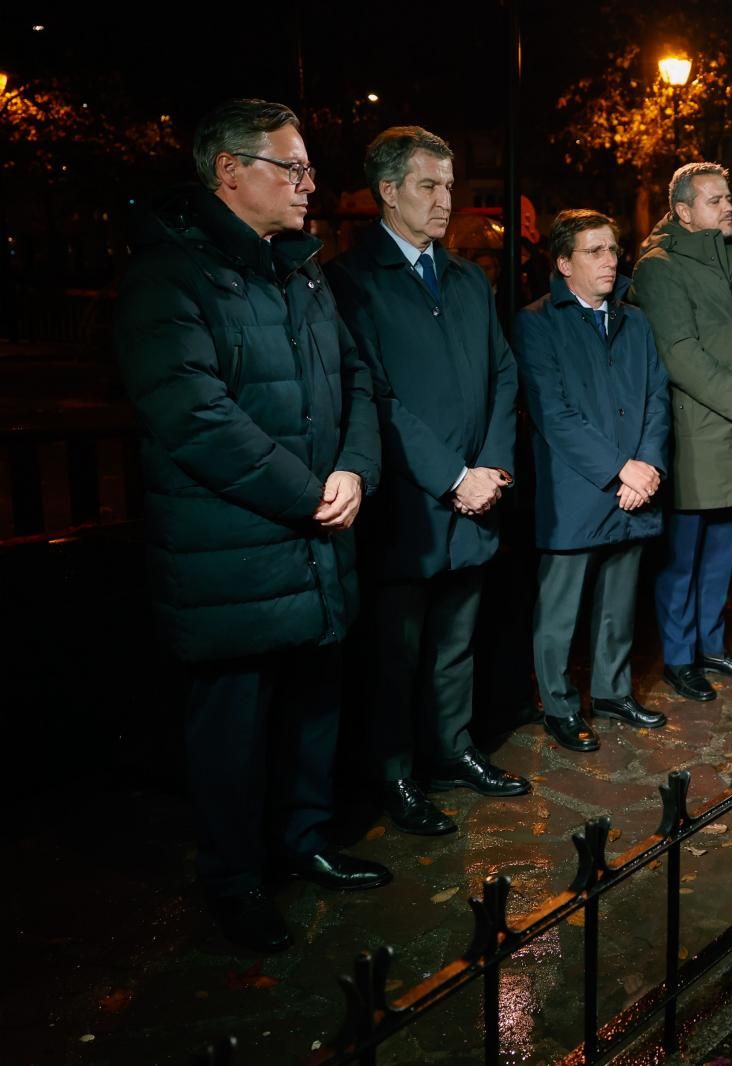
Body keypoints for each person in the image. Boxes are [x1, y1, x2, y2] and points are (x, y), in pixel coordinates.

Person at [114, 99, 387, 953]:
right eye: (291, 167)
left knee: (313, 704)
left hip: (314, 536)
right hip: (231, 551)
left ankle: (304, 842)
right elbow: (194, 417)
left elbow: (356, 379)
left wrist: (354, 469)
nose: (309, 183)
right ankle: (235, 878)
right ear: (229, 171)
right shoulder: (167, 278)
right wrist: (309, 492)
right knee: (232, 729)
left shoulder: (300, 271)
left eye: (307, 168)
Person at [326, 126, 526, 836]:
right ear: (388, 191)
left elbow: (503, 373)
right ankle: (395, 773)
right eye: (428, 186)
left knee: (455, 643)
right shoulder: (350, 280)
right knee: (396, 654)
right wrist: (451, 476)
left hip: (476, 497)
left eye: (449, 186)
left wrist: (493, 467)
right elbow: (374, 396)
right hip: (410, 505)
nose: (446, 201)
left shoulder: (469, 277)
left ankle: (452, 749)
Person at [631, 162, 732, 703]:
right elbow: (679, 354)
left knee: (723, 549)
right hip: (695, 429)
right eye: (716, 199)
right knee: (682, 555)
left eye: (728, 196)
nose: (729, 206)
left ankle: (711, 645)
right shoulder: (660, 267)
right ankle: (679, 658)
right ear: (683, 211)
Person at [515, 209, 671, 752]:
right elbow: (553, 414)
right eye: (594, 251)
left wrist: (647, 466)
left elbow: (656, 398)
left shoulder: (637, 320)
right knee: (560, 610)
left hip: (636, 487)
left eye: (613, 249)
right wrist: (620, 469)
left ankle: (611, 691)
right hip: (577, 490)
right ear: (563, 263)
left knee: (618, 604)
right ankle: (558, 705)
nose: (610, 260)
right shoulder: (536, 322)